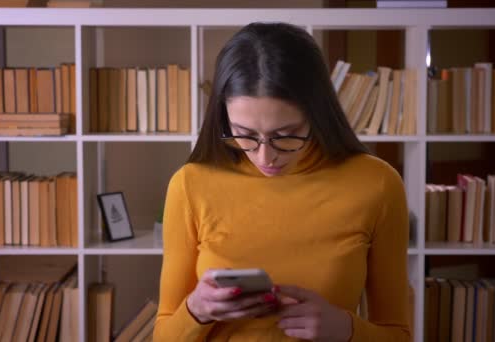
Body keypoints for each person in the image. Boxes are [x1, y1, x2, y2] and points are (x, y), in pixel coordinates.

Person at [153, 22, 410, 341]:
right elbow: (163, 335)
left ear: (317, 114)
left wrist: (345, 329)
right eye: (245, 135)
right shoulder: (189, 185)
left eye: (285, 135)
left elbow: (399, 334)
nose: (264, 157)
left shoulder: (378, 184)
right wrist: (196, 311)